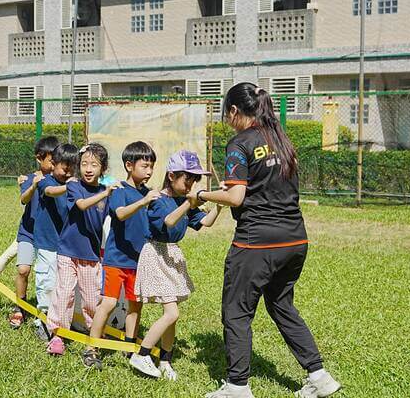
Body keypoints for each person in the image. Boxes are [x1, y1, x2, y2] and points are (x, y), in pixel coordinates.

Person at [190, 82, 341, 398]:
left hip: (256, 243)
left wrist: (200, 194)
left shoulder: (240, 143)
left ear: (233, 110)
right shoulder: (283, 141)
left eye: (226, 113)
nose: (227, 119)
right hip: (294, 241)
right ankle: (320, 376)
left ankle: (237, 387)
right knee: (281, 305)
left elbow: (236, 195)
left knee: (236, 311)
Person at [130, 150, 221, 380]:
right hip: (156, 255)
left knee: (171, 314)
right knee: (172, 313)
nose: (191, 183)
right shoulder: (158, 199)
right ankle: (142, 354)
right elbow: (169, 222)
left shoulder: (183, 201)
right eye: (187, 177)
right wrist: (189, 204)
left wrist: (219, 204)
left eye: (194, 178)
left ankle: (165, 360)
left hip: (171, 256)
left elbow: (205, 223)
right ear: (172, 176)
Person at [83, 141, 159, 370]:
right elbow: (121, 214)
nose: (149, 171)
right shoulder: (120, 191)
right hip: (116, 260)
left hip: (138, 261)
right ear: (129, 165)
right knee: (108, 302)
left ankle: (129, 346)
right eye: (145, 166)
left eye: (151, 167)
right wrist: (144, 202)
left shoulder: (148, 193)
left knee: (135, 305)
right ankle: (91, 348)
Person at [0, 137, 59, 321]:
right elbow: (24, 199)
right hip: (28, 234)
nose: (54, 165)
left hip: (50, 236)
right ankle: (20, 307)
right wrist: (34, 185)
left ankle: (53, 309)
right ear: (39, 158)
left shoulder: (59, 180)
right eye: (52, 161)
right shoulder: (29, 179)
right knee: (23, 270)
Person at [46, 143, 117, 355]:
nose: (88, 168)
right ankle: (58, 335)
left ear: (102, 169)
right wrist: (106, 193)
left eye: (94, 165)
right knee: (64, 294)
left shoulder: (108, 193)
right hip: (67, 251)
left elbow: (120, 213)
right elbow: (81, 205)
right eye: (84, 163)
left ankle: (94, 333)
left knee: (92, 298)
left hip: (91, 254)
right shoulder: (74, 185)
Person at [32, 143, 79, 340]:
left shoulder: (76, 185)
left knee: (65, 286)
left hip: (67, 245)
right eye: (63, 166)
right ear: (54, 164)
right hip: (46, 243)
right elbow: (50, 191)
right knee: (47, 283)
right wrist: (68, 187)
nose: (67, 171)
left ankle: (61, 320)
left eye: (71, 166)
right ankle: (42, 320)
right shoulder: (45, 181)